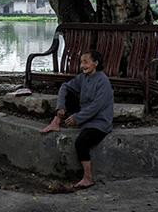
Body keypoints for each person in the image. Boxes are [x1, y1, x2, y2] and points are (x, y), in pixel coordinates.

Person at [40, 50, 113, 189]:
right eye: (81, 62)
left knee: (81, 142)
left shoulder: (103, 81)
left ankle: (88, 178)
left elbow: (96, 107)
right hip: (85, 117)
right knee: (67, 92)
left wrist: (77, 118)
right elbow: (64, 87)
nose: (82, 65)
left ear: (96, 63)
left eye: (86, 62)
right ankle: (56, 122)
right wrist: (60, 107)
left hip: (99, 122)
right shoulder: (83, 78)